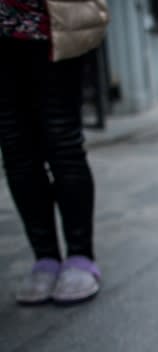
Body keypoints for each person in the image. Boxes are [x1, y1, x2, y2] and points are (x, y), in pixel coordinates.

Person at [0, 0, 109, 305]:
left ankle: (79, 255)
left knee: (62, 139)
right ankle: (44, 258)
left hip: (52, 22)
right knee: (14, 145)